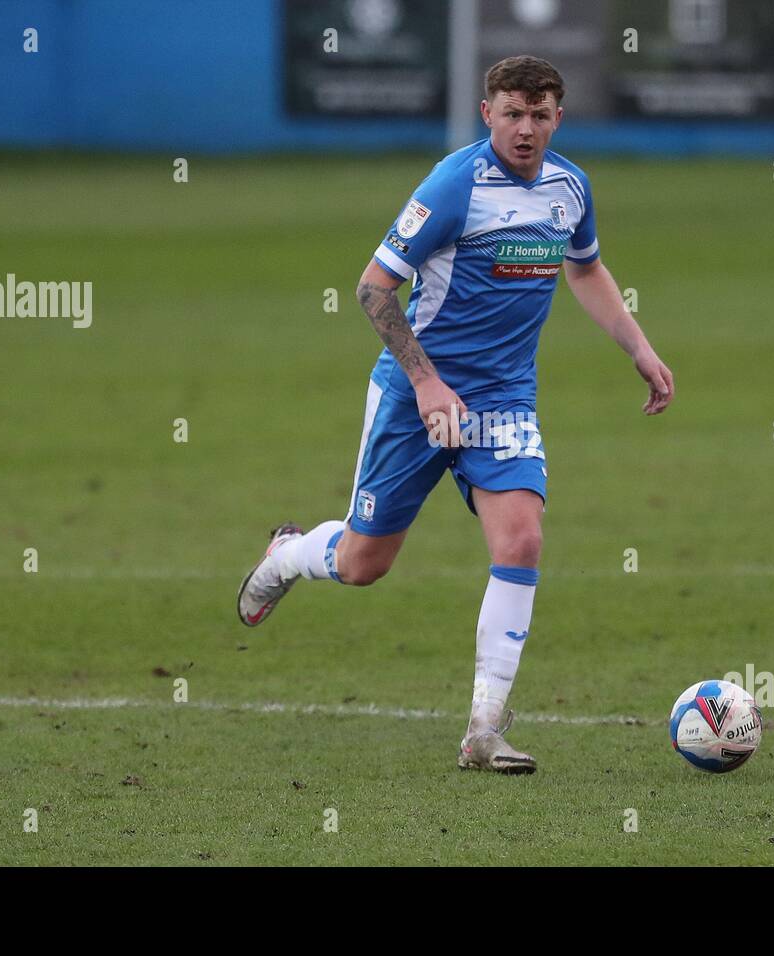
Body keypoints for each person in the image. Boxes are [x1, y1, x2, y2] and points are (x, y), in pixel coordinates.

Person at [237, 55, 674, 774]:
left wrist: (638, 346)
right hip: (417, 398)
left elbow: (585, 266)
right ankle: (288, 554)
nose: (525, 129)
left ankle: (483, 731)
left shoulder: (570, 189)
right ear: (487, 114)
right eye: (511, 114)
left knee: (522, 540)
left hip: (503, 400)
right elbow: (375, 289)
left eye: (539, 115)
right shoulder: (455, 184)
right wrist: (429, 384)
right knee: (364, 562)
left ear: (558, 117)